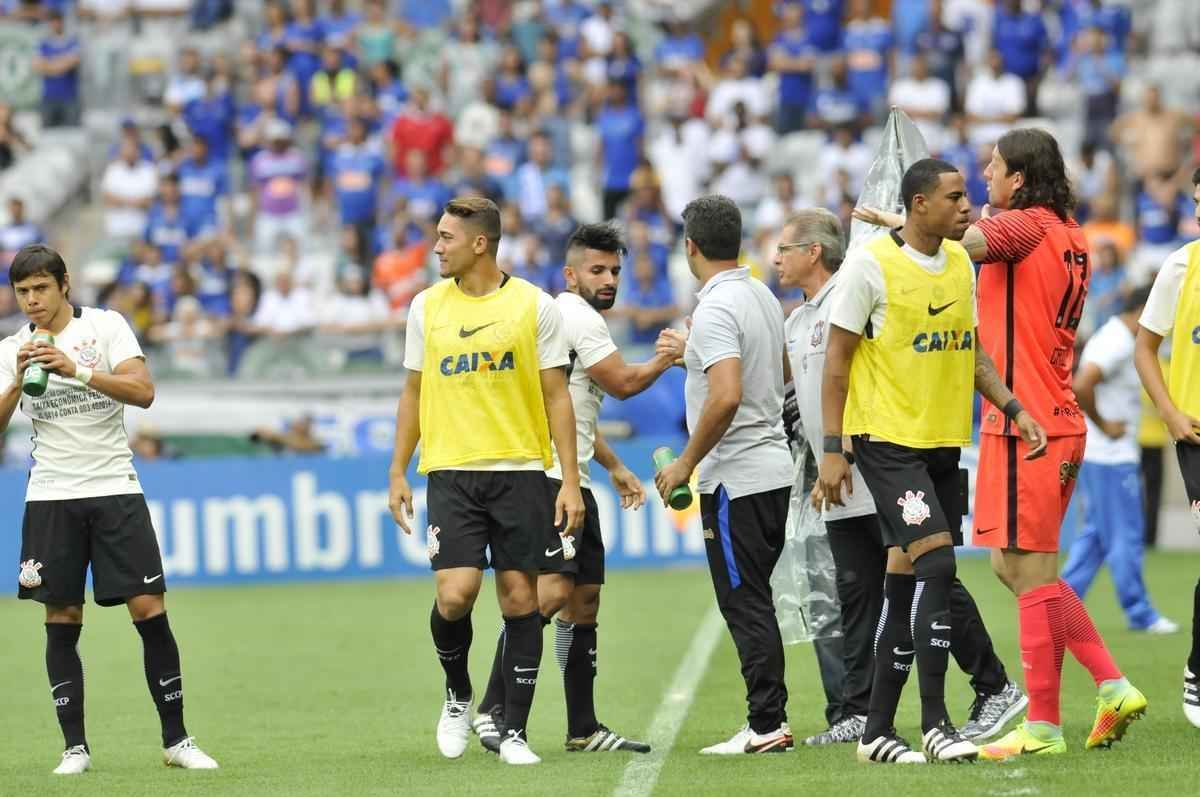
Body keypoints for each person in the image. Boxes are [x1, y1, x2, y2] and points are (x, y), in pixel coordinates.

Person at [822, 159, 1045, 764]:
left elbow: (969, 351)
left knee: (901, 585)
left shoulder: (959, 264)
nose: (968, 205)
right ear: (919, 204)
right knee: (938, 565)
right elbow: (836, 362)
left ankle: (875, 732)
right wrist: (832, 449)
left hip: (942, 442)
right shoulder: (869, 266)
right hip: (887, 441)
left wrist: (1014, 407)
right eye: (955, 197)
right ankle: (936, 722)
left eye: (967, 195)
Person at [777, 209, 1025, 749]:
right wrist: (824, 457)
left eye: (784, 248)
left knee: (930, 571)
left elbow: (871, 362)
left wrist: (839, 448)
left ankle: (988, 687)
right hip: (839, 474)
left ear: (813, 252)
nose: (775, 259)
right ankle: (867, 716)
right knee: (868, 592)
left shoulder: (862, 280)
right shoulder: (798, 321)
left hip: (882, 460)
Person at [4, 245, 217, 775]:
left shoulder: (105, 327)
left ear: (64, 285)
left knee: (148, 609)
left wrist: (75, 370)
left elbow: (143, 392)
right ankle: (74, 748)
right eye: (22, 292)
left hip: (115, 487)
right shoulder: (11, 347)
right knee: (62, 616)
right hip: (51, 494)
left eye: (40, 289)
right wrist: (16, 379)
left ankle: (177, 739)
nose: (32, 301)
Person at [387, 197, 585, 766]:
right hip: (451, 472)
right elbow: (411, 393)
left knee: (521, 598)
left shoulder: (534, 307)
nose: (436, 247)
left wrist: (567, 480)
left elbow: (556, 396)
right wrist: (398, 468)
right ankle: (457, 696)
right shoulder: (426, 307)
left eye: (446, 237)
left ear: (481, 243)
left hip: (521, 471)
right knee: (455, 594)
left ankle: (512, 732)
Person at [472, 222, 680, 755]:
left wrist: (611, 465)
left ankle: (583, 728)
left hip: (575, 475)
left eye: (614, 270)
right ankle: (492, 709)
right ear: (572, 274)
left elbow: (574, 407)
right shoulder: (577, 316)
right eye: (597, 270)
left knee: (583, 600)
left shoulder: (558, 318)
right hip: (548, 480)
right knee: (552, 594)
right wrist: (667, 357)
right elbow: (621, 384)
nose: (609, 279)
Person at [653, 195, 795, 755]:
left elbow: (727, 394)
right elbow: (778, 370)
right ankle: (768, 718)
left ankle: (767, 724)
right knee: (753, 597)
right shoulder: (760, 293)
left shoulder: (713, 308)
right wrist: (696, 354)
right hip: (772, 468)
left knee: (745, 602)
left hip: (736, 477)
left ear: (690, 247)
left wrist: (686, 462)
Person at [1063, 286, 1178, 633]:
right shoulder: (1116, 340)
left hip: (1103, 457)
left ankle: (1062, 605)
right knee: (1127, 534)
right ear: (1142, 309)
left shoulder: (1115, 337)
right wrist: (1104, 425)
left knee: (1097, 537)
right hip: (1112, 457)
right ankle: (1139, 612)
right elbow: (1082, 383)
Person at [1133, 166, 1200, 729]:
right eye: (1196, 202)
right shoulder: (1181, 265)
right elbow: (1144, 348)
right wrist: (1171, 413)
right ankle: (1199, 670)